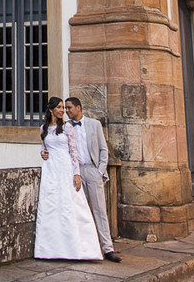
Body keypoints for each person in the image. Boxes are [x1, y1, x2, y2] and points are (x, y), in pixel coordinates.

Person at [33, 96, 102, 261]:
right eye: (58, 107)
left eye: (63, 107)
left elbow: (74, 152)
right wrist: (43, 154)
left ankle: (77, 249)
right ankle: (49, 250)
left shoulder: (67, 127)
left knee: (70, 206)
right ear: (51, 110)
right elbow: (44, 148)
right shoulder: (43, 128)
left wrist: (76, 174)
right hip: (51, 169)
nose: (62, 110)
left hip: (65, 168)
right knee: (51, 206)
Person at [64, 96, 120, 263]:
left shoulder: (94, 124)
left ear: (78, 108)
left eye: (69, 108)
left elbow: (104, 150)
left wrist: (99, 170)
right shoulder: (66, 127)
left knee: (99, 210)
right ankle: (83, 248)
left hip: (92, 170)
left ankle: (108, 248)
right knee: (79, 211)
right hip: (76, 172)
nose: (67, 111)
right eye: (65, 108)